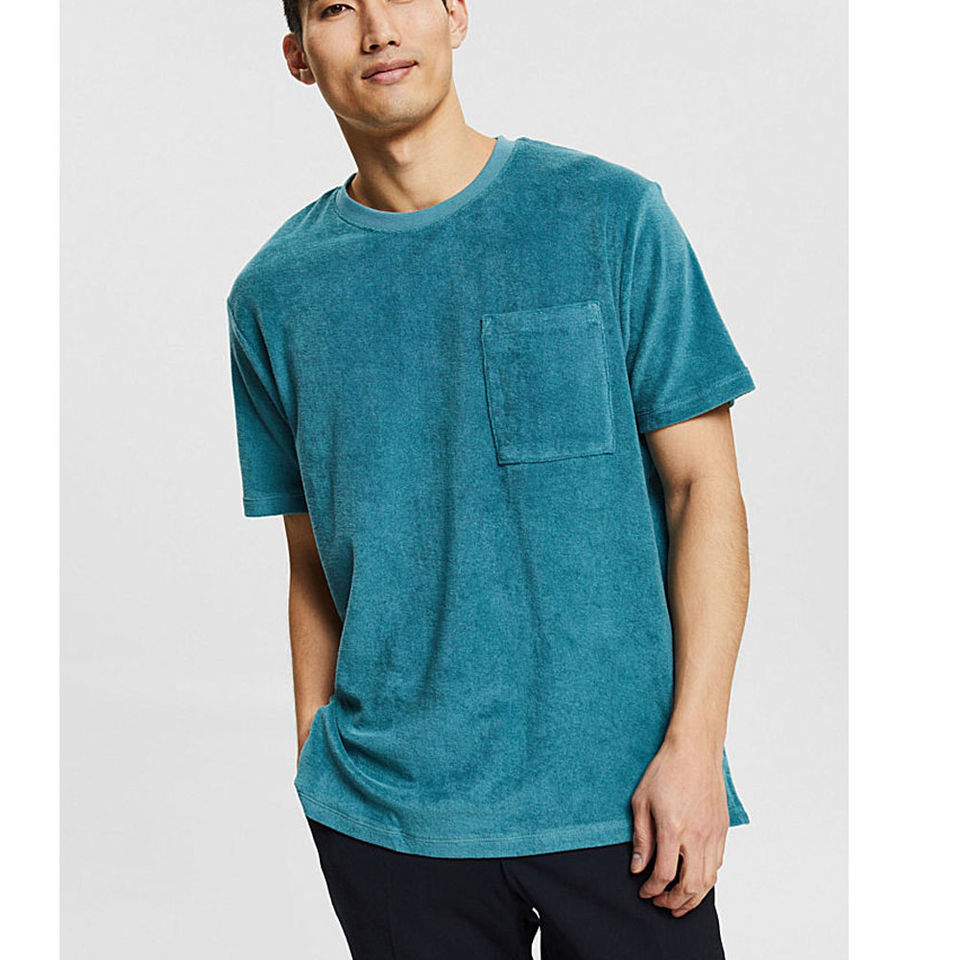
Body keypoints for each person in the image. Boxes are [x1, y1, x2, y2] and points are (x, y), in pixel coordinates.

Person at [226, 1, 757, 956]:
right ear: (299, 56)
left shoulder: (610, 216)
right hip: (391, 822)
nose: (378, 30)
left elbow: (703, 491)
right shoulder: (276, 293)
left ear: (456, 14)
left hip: (628, 797)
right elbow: (310, 555)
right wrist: (318, 760)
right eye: (338, 8)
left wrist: (696, 748)